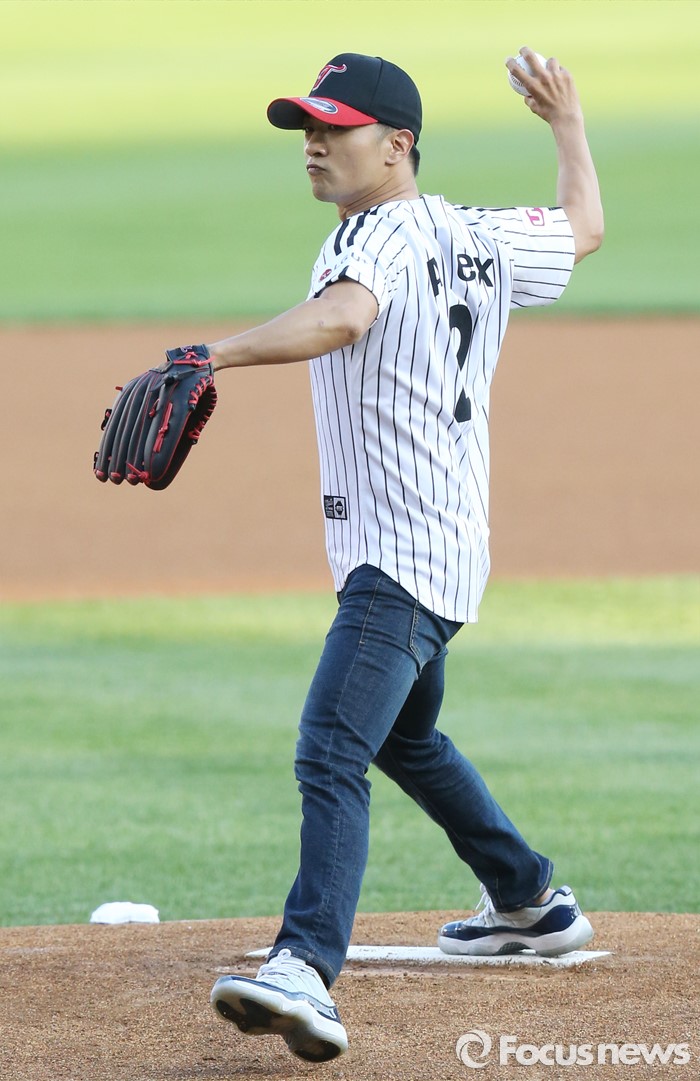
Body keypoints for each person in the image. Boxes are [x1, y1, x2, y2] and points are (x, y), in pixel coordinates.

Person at [207, 49, 604, 1063]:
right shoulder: (478, 234)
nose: (314, 144)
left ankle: (304, 967)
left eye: (334, 129)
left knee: (331, 748)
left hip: (395, 560)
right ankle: (527, 898)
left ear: (397, 145)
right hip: (451, 544)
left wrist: (212, 354)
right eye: (308, 127)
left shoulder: (372, 236)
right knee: (404, 737)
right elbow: (583, 228)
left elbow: (344, 315)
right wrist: (566, 124)